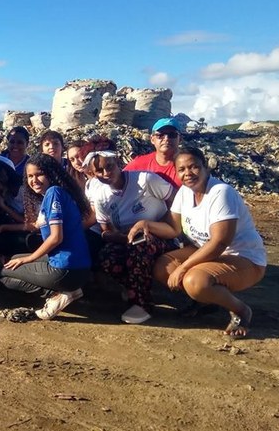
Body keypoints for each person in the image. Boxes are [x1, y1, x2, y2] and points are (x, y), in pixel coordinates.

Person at [146, 147, 267, 339]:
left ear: (205, 167)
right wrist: (144, 225)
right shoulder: (185, 193)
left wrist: (184, 267)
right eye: (182, 169)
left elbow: (220, 242)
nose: (188, 173)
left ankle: (241, 311)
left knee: (194, 281)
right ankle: (206, 299)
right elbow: (173, 229)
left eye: (194, 167)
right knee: (162, 266)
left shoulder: (221, 193)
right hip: (205, 250)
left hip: (242, 257)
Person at [0, 154, 92, 320]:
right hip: (77, 267)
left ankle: (60, 295)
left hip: (66, 268)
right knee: (13, 259)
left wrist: (28, 258)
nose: (34, 180)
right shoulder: (57, 194)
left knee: (5, 273)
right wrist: (3, 225)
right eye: (30, 176)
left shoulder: (53, 193)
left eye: (39, 174)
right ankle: (69, 290)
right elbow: (34, 225)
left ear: (51, 174)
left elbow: (56, 237)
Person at [87, 150, 175, 324]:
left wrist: (160, 227)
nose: (106, 173)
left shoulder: (145, 180)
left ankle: (142, 304)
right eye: (99, 171)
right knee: (107, 257)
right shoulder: (102, 196)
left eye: (109, 166)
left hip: (161, 236)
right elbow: (105, 230)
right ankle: (133, 288)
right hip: (127, 239)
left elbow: (177, 204)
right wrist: (122, 238)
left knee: (140, 247)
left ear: (118, 163)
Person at [124, 117, 183, 188]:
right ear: (152, 139)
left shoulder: (188, 166)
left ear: (180, 139)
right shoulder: (139, 164)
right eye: (160, 135)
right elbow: (119, 181)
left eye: (172, 135)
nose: (166, 138)